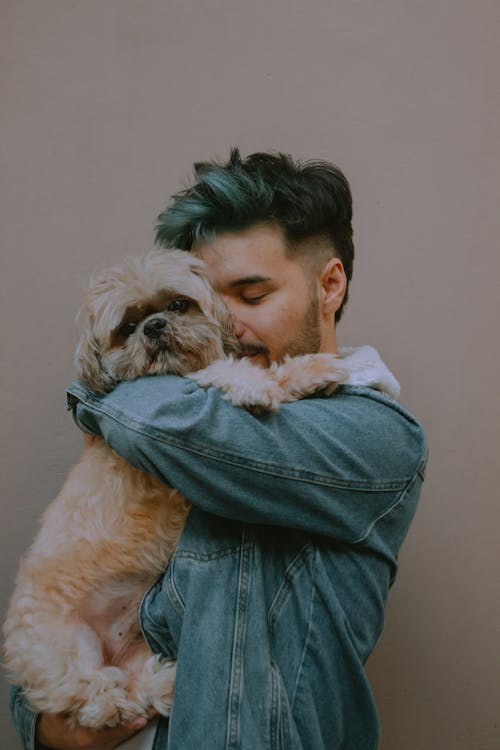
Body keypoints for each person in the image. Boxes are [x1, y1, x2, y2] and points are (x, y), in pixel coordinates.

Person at [10, 149, 427, 750]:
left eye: (251, 296)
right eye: (211, 298)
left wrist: (99, 394)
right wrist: (49, 731)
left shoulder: (376, 436)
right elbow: (50, 639)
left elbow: (173, 426)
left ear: (330, 284)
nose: (225, 327)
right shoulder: (173, 421)